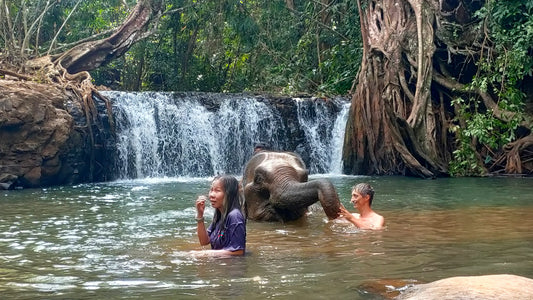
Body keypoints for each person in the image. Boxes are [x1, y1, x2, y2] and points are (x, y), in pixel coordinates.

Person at [195, 175, 246, 256]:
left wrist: (205, 254)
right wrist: (200, 215)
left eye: (217, 191)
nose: (211, 195)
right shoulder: (220, 215)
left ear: (229, 194)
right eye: (211, 190)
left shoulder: (235, 216)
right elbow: (204, 241)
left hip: (232, 267)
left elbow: (238, 252)